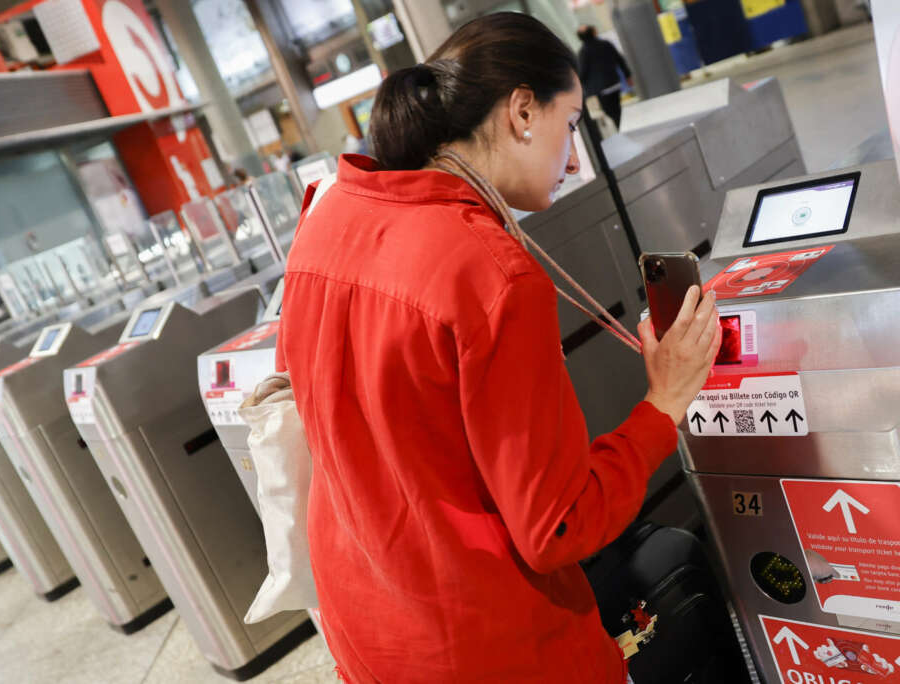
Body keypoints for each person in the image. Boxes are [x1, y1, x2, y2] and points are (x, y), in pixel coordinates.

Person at [276, 13, 719, 683]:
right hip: (492, 648)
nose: (574, 160)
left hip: (369, 634)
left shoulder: (327, 213)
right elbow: (558, 526)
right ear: (520, 111)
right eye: (570, 125)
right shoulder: (491, 272)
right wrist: (666, 402)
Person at [577, 24, 633, 130]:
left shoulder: (583, 52)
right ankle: (623, 128)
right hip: (614, 83)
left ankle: (622, 129)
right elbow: (620, 60)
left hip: (601, 89)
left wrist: (581, 89)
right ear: (593, 32)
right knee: (616, 108)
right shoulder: (606, 44)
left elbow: (583, 72)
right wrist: (627, 76)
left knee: (611, 111)